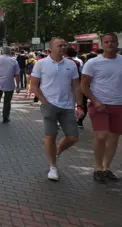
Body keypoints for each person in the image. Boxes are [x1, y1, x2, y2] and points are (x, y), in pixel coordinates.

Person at [81, 33, 122, 183]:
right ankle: (97, 168)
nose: (110, 44)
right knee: (101, 135)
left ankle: (106, 168)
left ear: (117, 44)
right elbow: (84, 86)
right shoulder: (93, 63)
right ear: (102, 44)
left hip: (120, 104)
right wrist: (95, 101)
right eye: (107, 42)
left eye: (113, 42)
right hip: (99, 104)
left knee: (114, 137)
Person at [29, 38, 83, 181]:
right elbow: (33, 85)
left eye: (64, 45)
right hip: (49, 105)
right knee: (50, 136)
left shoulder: (71, 64)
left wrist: (80, 105)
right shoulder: (41, 64)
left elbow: (76, 86)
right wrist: (45, 102)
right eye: (60, 45)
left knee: (73, 137)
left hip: (67, 106)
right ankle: (53, 166)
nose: (63, 47)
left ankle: (58, 150)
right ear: (51, 48)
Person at [0, 47, 20, 125]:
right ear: (10, 52)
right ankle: (5, 117)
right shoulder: (14, 61)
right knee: (7, 102)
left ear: (2, 52)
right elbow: (17, 75)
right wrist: (18, 86)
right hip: (9, 84)